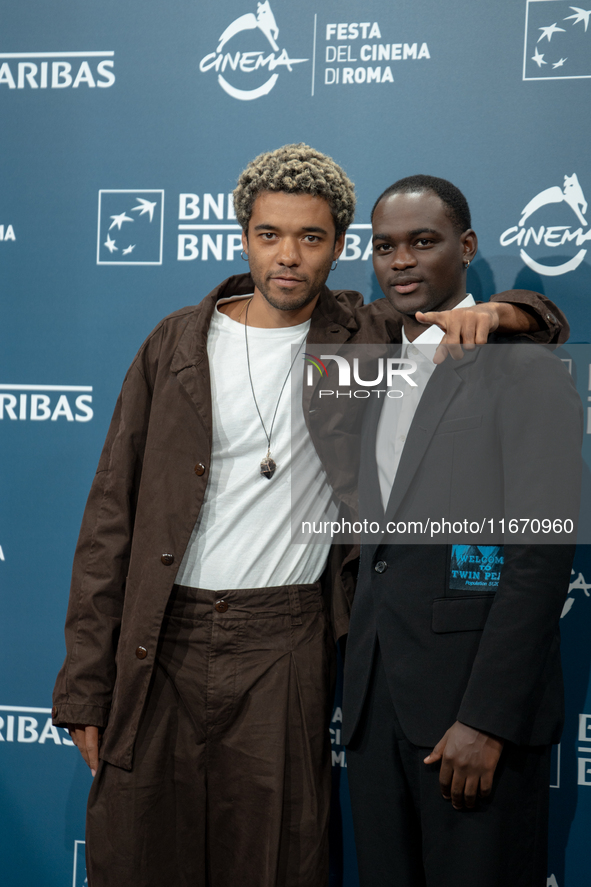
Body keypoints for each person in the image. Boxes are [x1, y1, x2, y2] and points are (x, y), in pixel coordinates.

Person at [51, 148, 565, 887]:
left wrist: (516, 307)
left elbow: (512, 324)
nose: (287, 256)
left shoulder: (356, 334)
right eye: (268, 234)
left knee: (276, 858)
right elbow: (110, 519)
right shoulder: (174, 344)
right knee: (139, 850)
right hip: (160, 636)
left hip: (285, 638)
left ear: (335, 250)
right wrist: (84, 682)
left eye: (311, 239)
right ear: (243, 236)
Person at [342, 175, 583, 887]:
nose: (402, 261)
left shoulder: (524, 369)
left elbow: (538, 555)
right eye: (385, 247)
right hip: (374, 710)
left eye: (423, 241)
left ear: (466, 246)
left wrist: (486, 720)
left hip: (471, 724)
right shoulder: (373, 362)